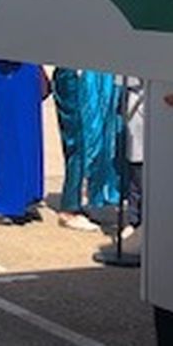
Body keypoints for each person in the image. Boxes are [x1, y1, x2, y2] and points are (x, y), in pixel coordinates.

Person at [52, 68, 123, 232]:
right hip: (72, 75)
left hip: (74, 73)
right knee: (79, 143)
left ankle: (77, 200)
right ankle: (69, 208)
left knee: (83, 142)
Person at [0, 59, 50, 225]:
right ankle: (4, 202)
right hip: (3, 65)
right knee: (7, 133)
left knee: (29, 132)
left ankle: (27, 197)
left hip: (28, 63)